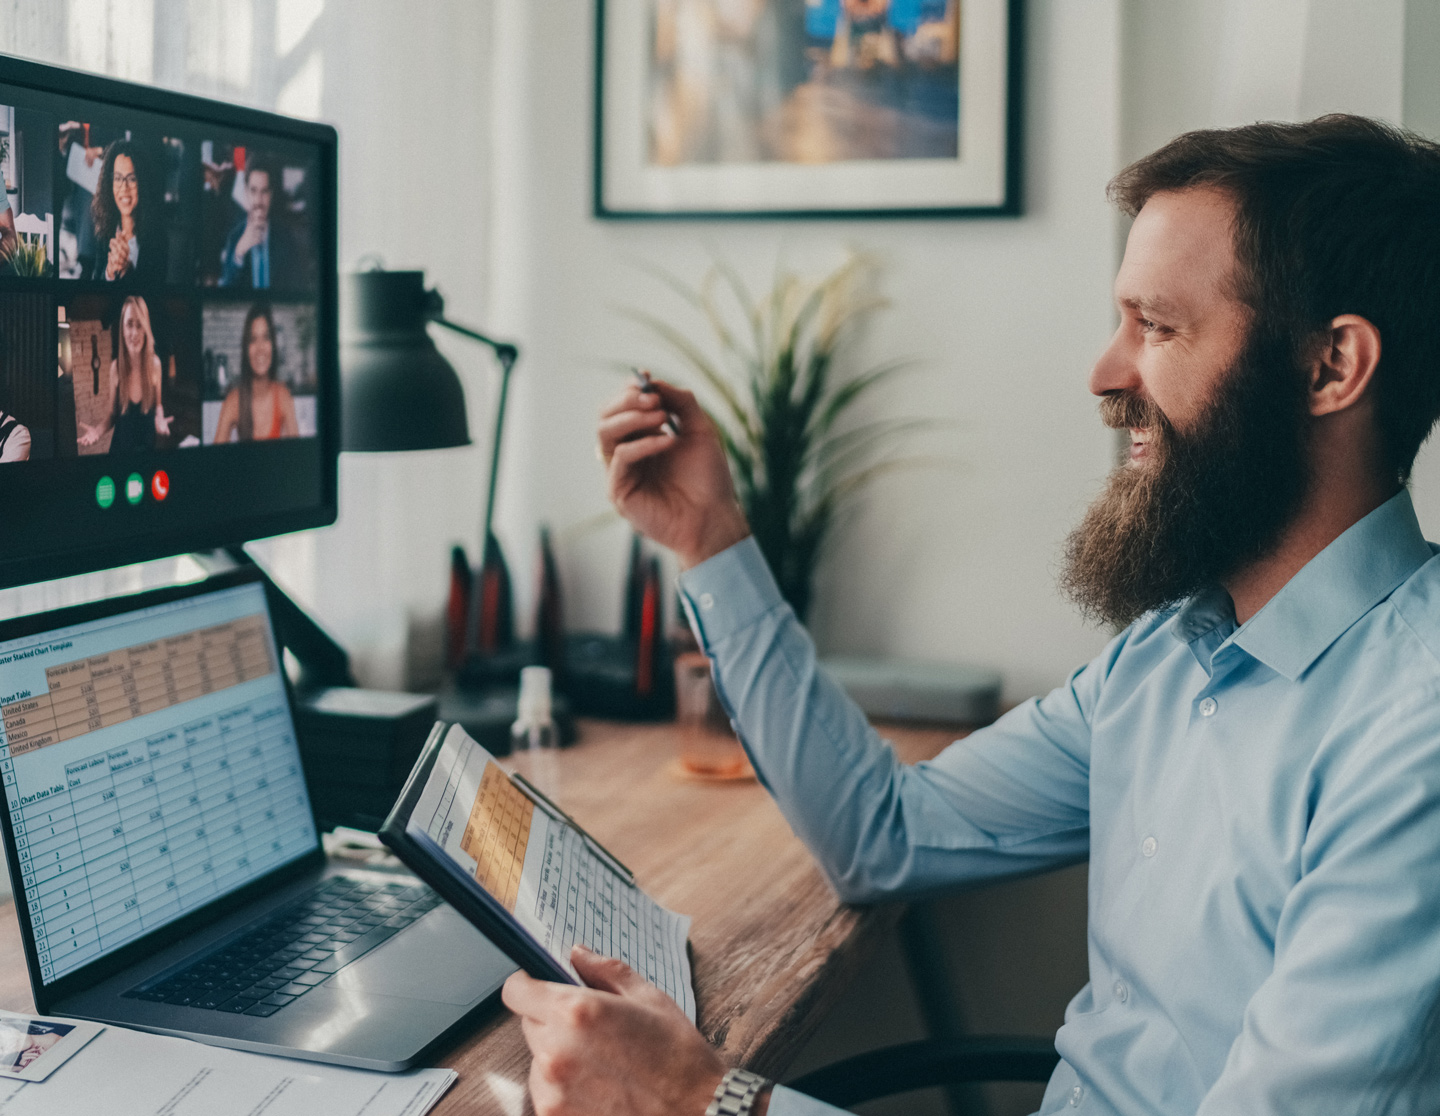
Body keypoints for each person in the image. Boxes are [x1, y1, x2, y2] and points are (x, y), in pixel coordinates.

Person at [504, 114, 1440, 1116]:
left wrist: (705, 1100)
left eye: (1158, 327)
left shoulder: (1412, 737)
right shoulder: (1173, 653)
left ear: (1329, 366)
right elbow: (882, 833)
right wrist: (711, 536)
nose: (1104, 374)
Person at [78, 295, 172, 452]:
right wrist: (97, 432)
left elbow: (158, 405)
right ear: (122, 329)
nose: (134, 333)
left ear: (146, 329)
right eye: (129, 325)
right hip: (119, 452)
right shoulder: (115, 368)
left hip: (148, 450)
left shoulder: (156, 364)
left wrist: (160, 418)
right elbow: (112, 415)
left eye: (139, 325)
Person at [212, 302, 298, 442]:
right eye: (253, 339)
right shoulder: (233, 401)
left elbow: (297, 452)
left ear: (273, 345)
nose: (260, 348)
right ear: (246, 349)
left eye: (266, 338)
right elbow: (214, 454)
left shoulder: (283, 396)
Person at [218, 158, 304, 290]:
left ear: (271, 195)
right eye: (253, 191)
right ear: (246, 192)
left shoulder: (286, 238)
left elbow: (295, 289)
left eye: (264, 191)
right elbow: (225, 293)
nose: (258, 201)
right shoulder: (234, 237)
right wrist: (239, 253)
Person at [89, 139, 152, 282]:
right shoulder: (103, 233)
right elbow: (95, 284)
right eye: (117, 178)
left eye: (131, 179)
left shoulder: (157, 237)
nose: (124, 188)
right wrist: (109, 272)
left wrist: (127, 270)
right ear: (109, 183)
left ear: (141, 182)